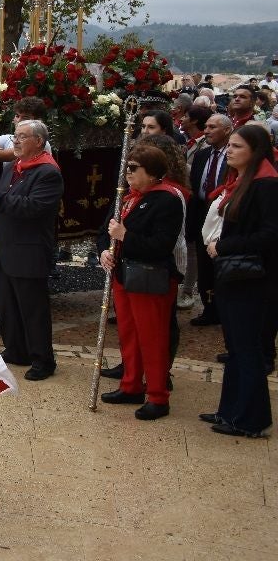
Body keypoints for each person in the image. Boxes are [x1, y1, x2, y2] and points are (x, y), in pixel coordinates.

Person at [98, 145, 186, 419]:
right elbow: (105, 230)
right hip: (124, 274)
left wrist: (125, 236)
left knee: (152, 337)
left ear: (152, 172)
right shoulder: (126, 197)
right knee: (129, 333)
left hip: (150, 277)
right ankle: (131, 385)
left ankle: (158, 396)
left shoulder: (167, 199)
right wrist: (104, 251)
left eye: (134, 168)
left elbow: (161, 244)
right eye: (127, 166)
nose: (128, 172)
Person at [0, 119, 64, 380]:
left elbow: (31, 207)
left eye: (23, 136)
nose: (16, 141)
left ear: (39, 141)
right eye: (15, 136)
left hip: (29, 250)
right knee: (8, 306)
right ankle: (16, 350)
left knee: (33, 310)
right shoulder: (14, 166)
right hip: (6, 248)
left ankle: (43, 360)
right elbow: (3, 202)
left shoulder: (47, 172)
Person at [203, 124, 278, 437]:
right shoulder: (240, 181)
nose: (229, 151)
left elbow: (270, 234)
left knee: (247, 348)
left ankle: (251, 419)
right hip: (234, 276)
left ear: (255, 151)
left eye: (236, 146)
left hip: (251, 278)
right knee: (235, 346)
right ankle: (230, 410)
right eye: (230, 145)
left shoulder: (266, 185)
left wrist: (223, 246)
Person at [189, 114, 232, 327]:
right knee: (204, 265)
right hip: (201, 216)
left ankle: (225, 308)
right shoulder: (201, 155)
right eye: (205, 126)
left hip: (223, 216)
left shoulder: (232, 156)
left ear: (227, 130)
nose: (206, 130)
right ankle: (209, 308)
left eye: (212, 127)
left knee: (220, 264)